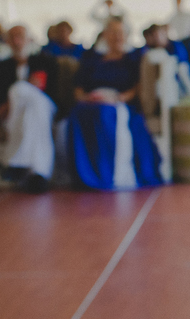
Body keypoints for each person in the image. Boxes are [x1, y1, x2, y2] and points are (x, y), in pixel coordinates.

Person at [67, 18, 162, 190]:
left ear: (126, 35)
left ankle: (106, 174)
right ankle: (84, 174)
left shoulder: (133, 57)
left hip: (118, 102)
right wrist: (87, 98)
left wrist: (117, 99)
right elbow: (79, 88)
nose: (116, 36)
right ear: (105, 35)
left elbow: (137, 87)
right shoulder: (92, 58)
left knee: (104, 114)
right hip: (92, 100)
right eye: (112, 32)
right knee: (77, 113)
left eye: (119, 32)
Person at [0, 25, 58, 194]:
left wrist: (28, 88)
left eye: (20, 36)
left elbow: (52, 96)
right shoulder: (0, 67)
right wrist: (28, 86)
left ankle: (17, 162)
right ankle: (40, 173)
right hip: (14, 116)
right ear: (7, 41)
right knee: (27, 108)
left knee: (24, 93)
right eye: (12, 37)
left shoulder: (46, 61)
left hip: (45, 108)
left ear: (30, 39)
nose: (16, 41)